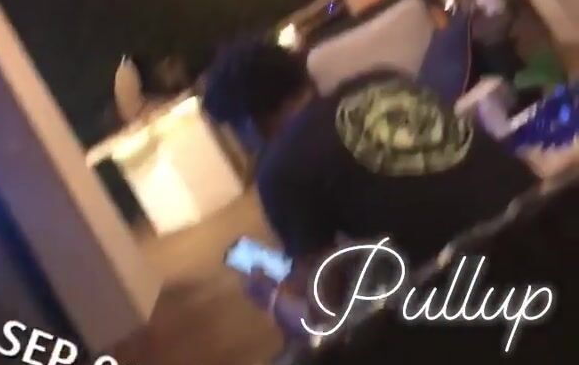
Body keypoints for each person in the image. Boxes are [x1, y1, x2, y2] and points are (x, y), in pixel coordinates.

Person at [203, 37, 535, 336]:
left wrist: (273, 299)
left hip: (485, 297)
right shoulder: (384, 79)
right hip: (544, 218)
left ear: (250, 125)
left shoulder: (280, 169)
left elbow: (326, 325)